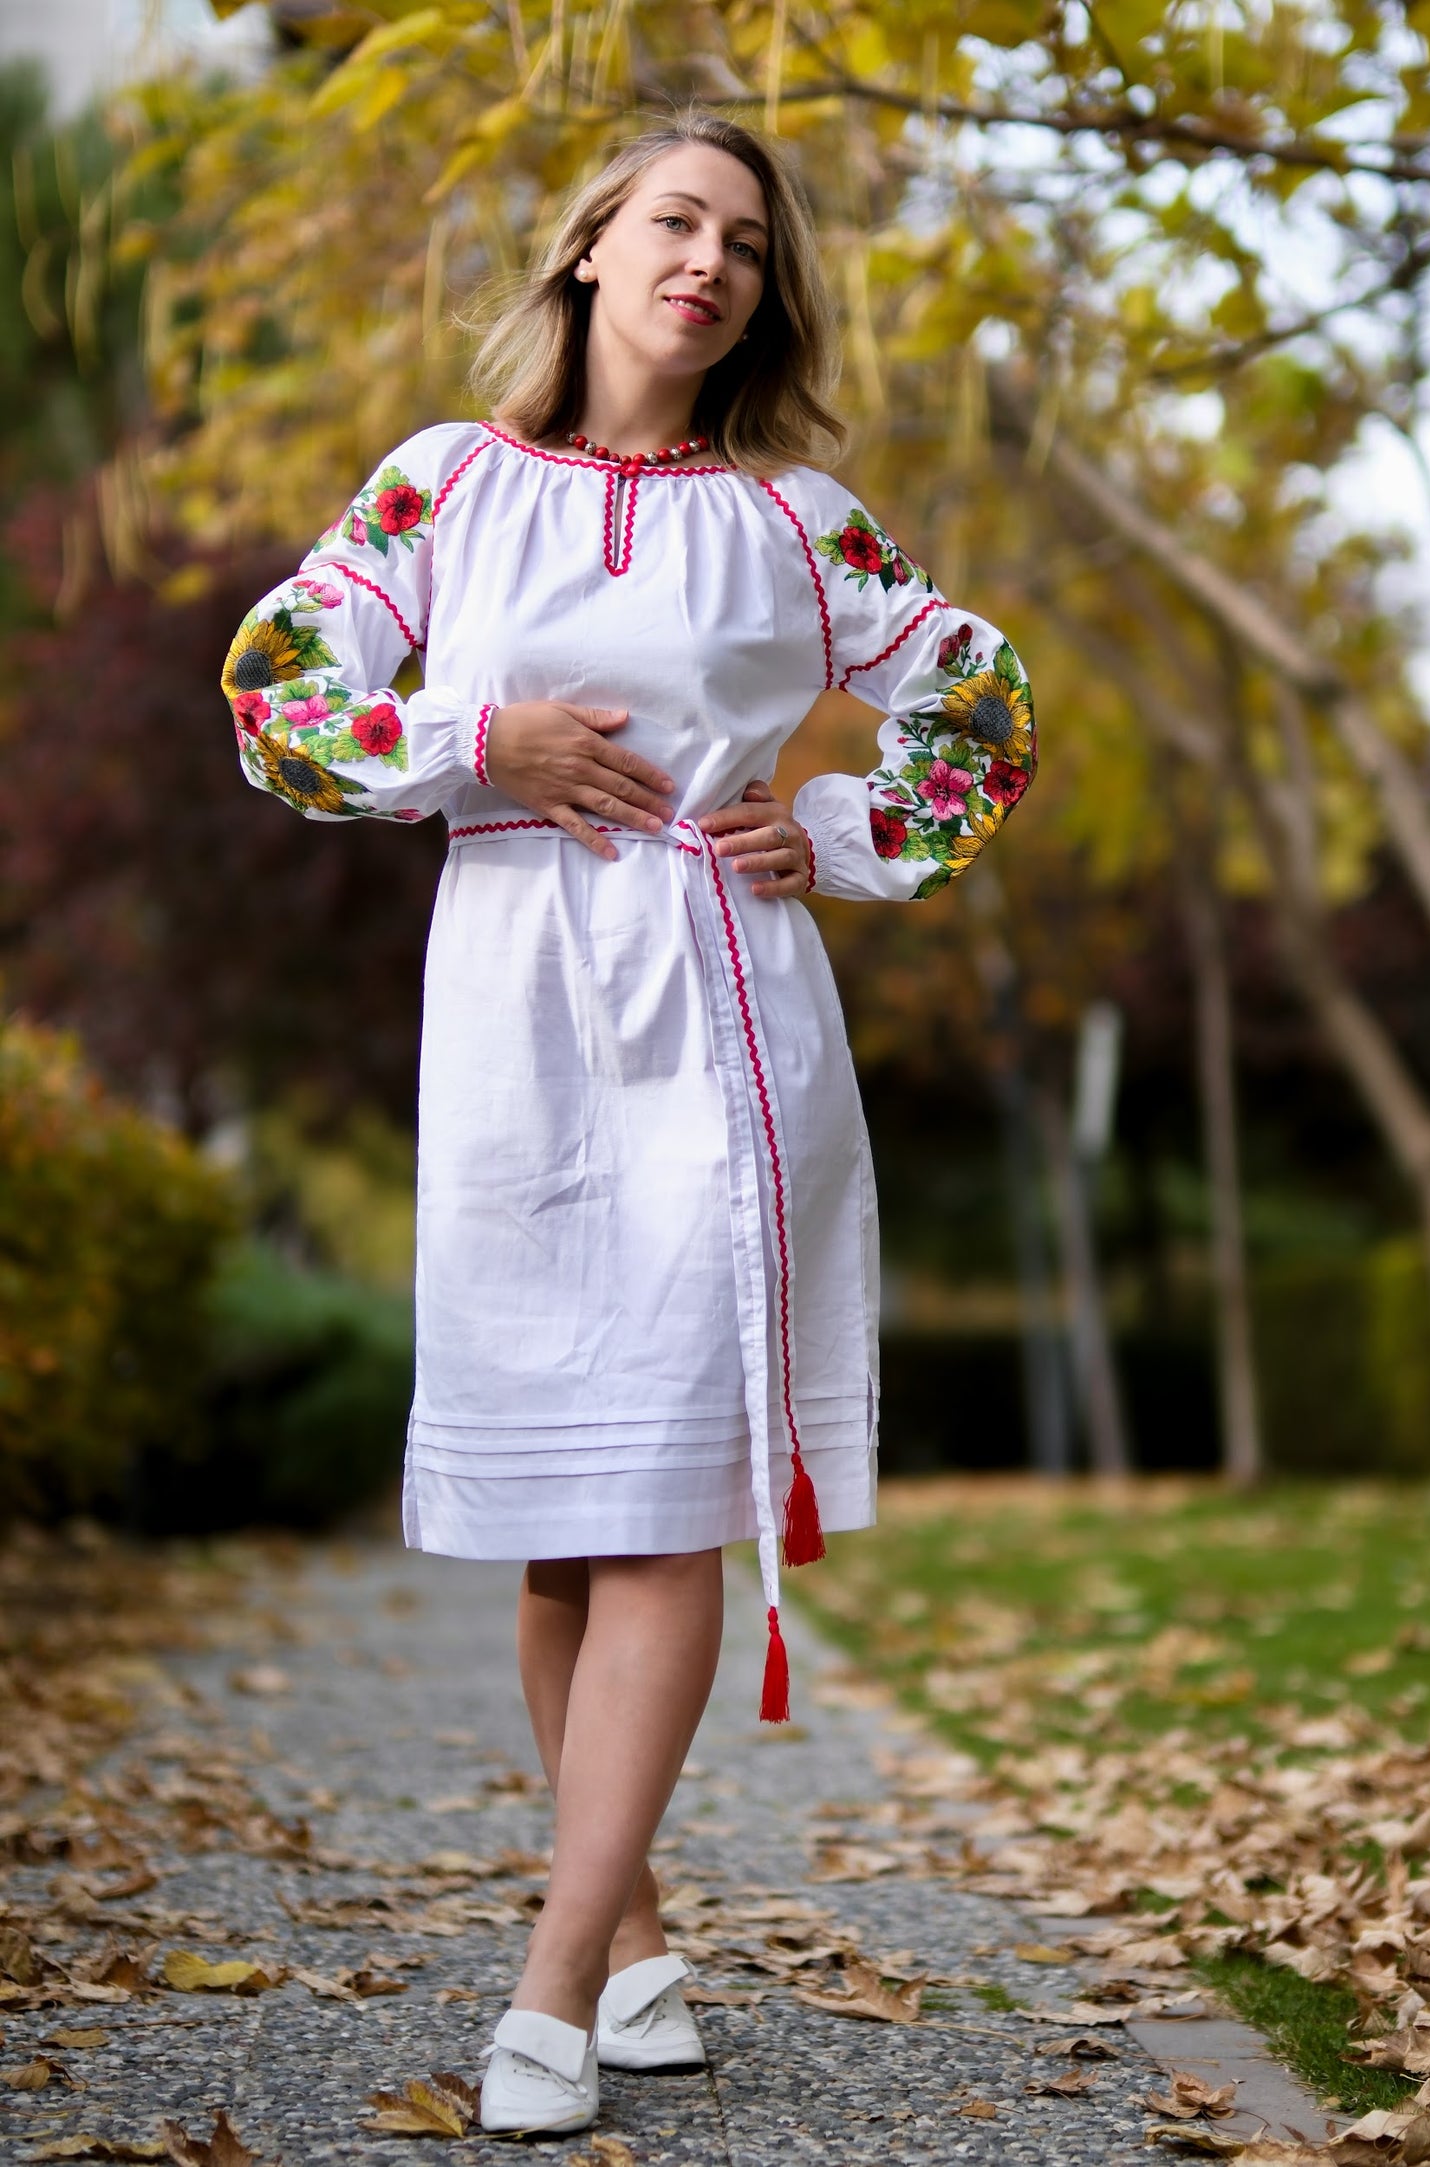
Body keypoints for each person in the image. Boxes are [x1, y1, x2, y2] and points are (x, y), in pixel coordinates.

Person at [221, 110, 1034, 2135]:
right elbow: (270, 700)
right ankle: (645, 1934)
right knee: (560, 1519)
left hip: (714, 1011)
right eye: (677, 220)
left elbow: (987, 709)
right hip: (509, 1019)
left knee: (669, 1490)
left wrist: (837, 833)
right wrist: (467, 738)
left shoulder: (796, 521)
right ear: (589, 251)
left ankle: (555, 1979)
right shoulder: (443, 483)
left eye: (747, 244)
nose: (711, 262)